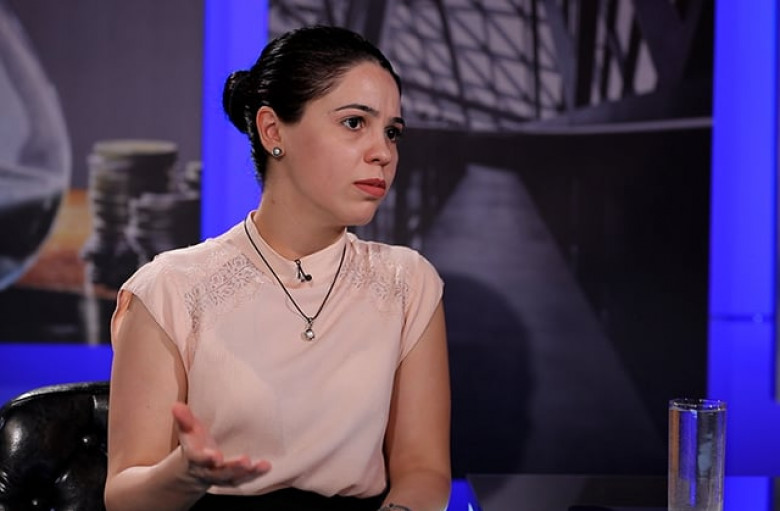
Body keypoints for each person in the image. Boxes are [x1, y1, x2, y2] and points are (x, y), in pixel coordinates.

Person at [103, 25, 451, 511]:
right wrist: (182, 475)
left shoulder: (407, 282)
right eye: (355, 123)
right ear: (272, 131)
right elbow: (123, 496)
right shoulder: (171, 289)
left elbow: (424, 471)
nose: (383, 153)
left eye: (391, 131)